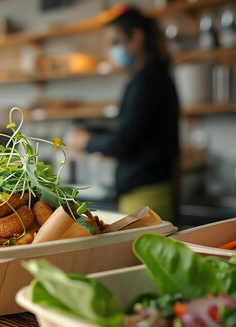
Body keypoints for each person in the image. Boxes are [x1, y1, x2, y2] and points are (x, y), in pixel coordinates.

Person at [68, 5, 180, 221]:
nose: (113, 51)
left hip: (146, 193)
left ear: (136, 37)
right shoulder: (151, 76)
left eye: (115, 42)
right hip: (144, 191)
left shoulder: (148, 80)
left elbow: (124, 140)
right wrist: (91, 131)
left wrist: (87, 142)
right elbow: (131, 128)